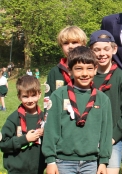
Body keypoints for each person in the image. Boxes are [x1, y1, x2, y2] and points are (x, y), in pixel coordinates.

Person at [42, 46, 113, 174]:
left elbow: (106, 132)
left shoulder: (102, 99)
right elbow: (51, 129)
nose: (85, 73)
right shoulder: (58, 96)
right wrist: (50, 160)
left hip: (91, 162)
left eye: (89, 68)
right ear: (70, 70)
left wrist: (103, 161)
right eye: (79, 69)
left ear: (96, 69)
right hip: (63, 162)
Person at [89, 30, 122, 174]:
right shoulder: (86, 77)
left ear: (114, 49)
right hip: (88, 138)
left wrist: (113, 138)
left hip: (112, 140)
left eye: (106, 49)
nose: (101, 54)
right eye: (96, 50)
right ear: (90, 51)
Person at [0, 75, 46, 174]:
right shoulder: (14, 118)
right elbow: (3, 144)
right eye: (25, 96)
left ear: (39, 94)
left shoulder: (44, 118)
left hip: (38, 170)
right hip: (16, 171)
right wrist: (25, 139)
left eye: (33, 95)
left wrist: (46, 133)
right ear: (19, 97)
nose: (30, 100)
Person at [44, 26, 87, 98]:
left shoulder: (89, 70)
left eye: (74, 42)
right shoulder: (55, 72)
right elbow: (48, 100)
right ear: (61, 46)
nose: (70, 46)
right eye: (66, 43)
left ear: (83, 45)